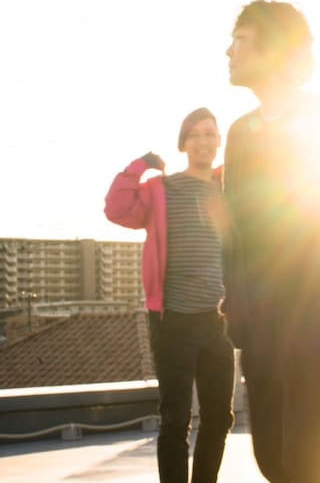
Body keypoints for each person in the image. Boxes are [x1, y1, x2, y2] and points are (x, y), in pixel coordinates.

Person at [221, 0, 320, 483]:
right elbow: (234, 234)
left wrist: (307, 297)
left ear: (273, 50)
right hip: (261, 333)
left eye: (240, 40)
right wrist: (242, 313)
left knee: (305, 464)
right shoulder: (241, 133)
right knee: (272, 463)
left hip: (315, 327)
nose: (228, 51)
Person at [104, 107, 235, 483]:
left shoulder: (228, 187)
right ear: (183, 143)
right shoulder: (162, 189)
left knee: (218, 417)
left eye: (211, 134)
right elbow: (117, 210)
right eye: (195, 134)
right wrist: (138, 165)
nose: (204, 141)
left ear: (219, 141)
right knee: (176, 419)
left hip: (218, 320)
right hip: (173, 320)